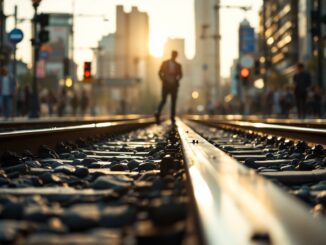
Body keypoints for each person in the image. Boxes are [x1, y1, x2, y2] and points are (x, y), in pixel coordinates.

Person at [154, 50, 183, 124]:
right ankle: (158, 113)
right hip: (166, 85)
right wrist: (163, 80)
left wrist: (177, 80)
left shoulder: (178, 65)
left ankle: (172, 117)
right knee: (164, 100)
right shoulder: (165, 63)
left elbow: (181, 75)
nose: (174, 56)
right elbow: (160, 73)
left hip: (174, 86)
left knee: (173, 101)